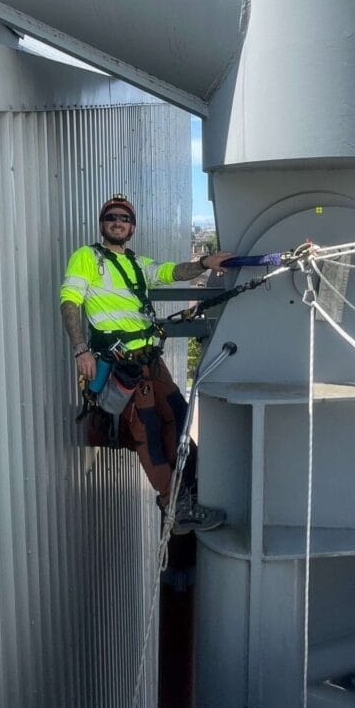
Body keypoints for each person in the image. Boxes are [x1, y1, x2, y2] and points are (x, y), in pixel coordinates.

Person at [60, 194, 235, 534]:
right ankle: (174, 505)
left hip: (150, 361)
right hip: (122, 363)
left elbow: (170, 272)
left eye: (124, 218)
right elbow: (70, 301)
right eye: (111, 216)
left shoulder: (137, 264)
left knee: (179, 418)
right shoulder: (87, 258)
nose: (117, 221)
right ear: (102, 223)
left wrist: (203, 263)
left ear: (132, 227)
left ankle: (187, 488)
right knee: (148, 431)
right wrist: (81, 349)